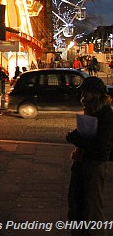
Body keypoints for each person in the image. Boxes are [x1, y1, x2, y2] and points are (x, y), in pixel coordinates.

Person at [66, 76, 113, 235]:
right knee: (76, 202)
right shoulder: (92, 110)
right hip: (82, 161)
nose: (83, 97)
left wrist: (77, 139)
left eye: (86, 93)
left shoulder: (106, 115)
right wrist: (74, 136)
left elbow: (101, 144)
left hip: (95, 164)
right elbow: (85, 133)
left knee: (93, 207)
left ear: (96, 94)